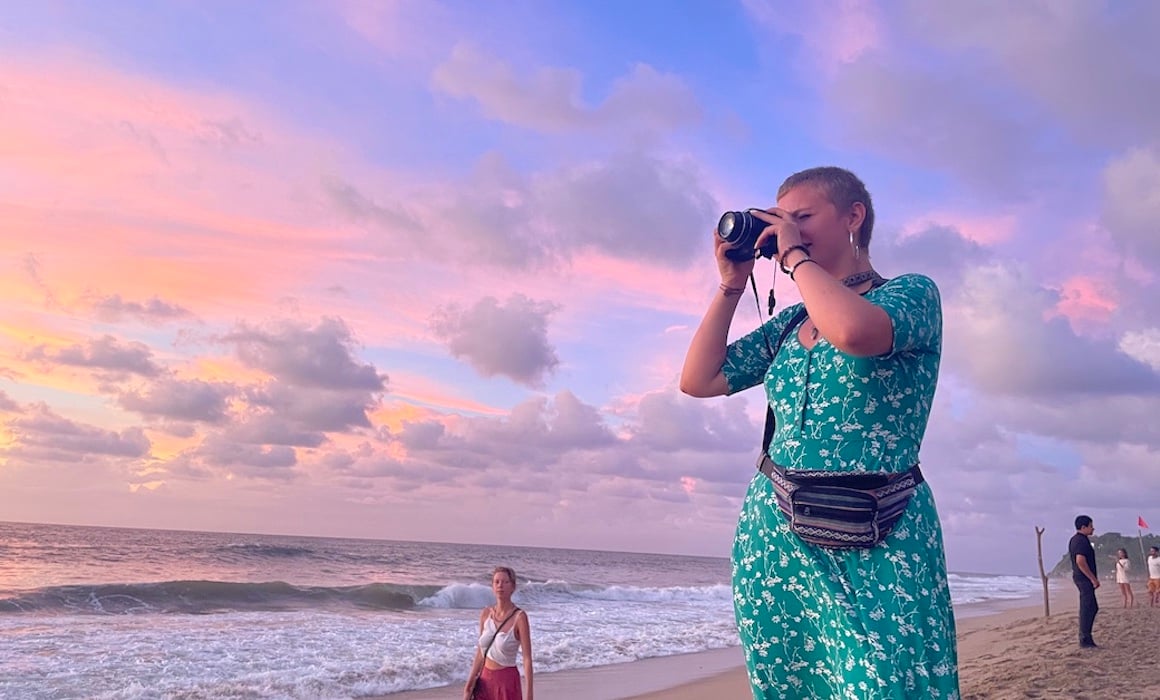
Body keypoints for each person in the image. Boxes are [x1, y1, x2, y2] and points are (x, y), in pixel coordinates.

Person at [680, 166, 958, 697]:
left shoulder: (911, 294)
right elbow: (699, 379)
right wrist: (730, 285)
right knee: (788, 683)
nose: (789, 228)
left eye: (802, 217)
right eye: (782, 219)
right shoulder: (790, 324)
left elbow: (854, 331)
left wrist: (794, 257)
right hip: (776, 534)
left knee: (882, 683)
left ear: (854, 216)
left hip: (878, 528)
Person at [463, 566, 533, 700]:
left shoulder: (520, 617)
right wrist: (470, 682)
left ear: (513, 586)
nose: (500, 585)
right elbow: (480, 652)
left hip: (507, 682)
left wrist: (529, 695)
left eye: (505, 582)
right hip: (484, 681)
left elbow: (527, 659)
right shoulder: (485, 614)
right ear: (492, 586)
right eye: (497, 582)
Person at [1068, 515, 1100, 648]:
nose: (1093, 528)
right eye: (1091, 526)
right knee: (1088, 607)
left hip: (1082, 578)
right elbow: (1080, 561)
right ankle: (1085, 638)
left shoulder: (1078, 540)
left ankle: (1086, 636)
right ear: (1083, 527)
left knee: (1091, 607)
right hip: (1084, 578)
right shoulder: (1080, 541)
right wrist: (1092, 578)